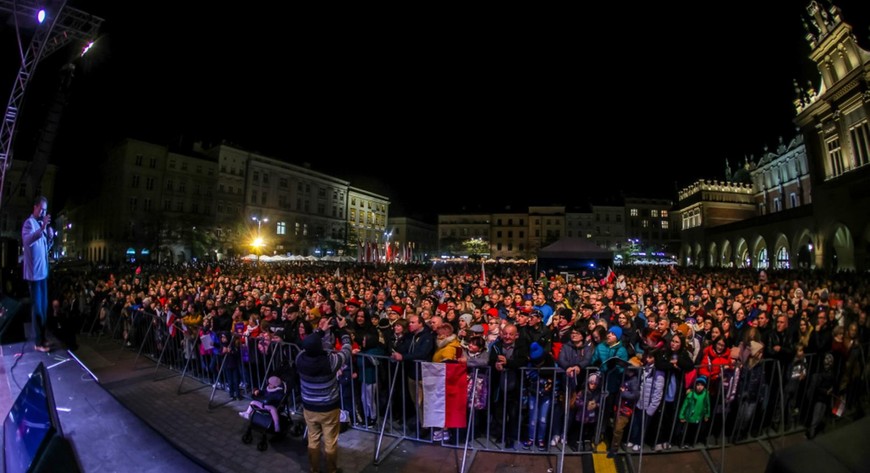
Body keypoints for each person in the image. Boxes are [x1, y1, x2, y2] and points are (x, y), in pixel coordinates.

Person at [296, 315, 352, 473]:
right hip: (328, 408)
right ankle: (331, 470)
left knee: (313, 440)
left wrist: (320, 331)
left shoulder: (300, 358)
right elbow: (346, 350)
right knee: (330, 442)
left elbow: (307, 344)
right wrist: (342, 330)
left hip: (309, 407)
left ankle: (314, 469)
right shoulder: (330, 361)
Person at [22, 195, 54, 353]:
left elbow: (44, 250)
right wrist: (41, 229)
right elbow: (27, 241)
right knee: (38, 309)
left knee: (44, 307)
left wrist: (50, 238)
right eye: (41, 209)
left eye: (45, 210)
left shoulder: (40, 225)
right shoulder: (29, 224)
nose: (43, 212)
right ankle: (38, 342)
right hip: (34, 275)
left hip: (43, 273)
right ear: (35, 207)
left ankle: (42, 337)